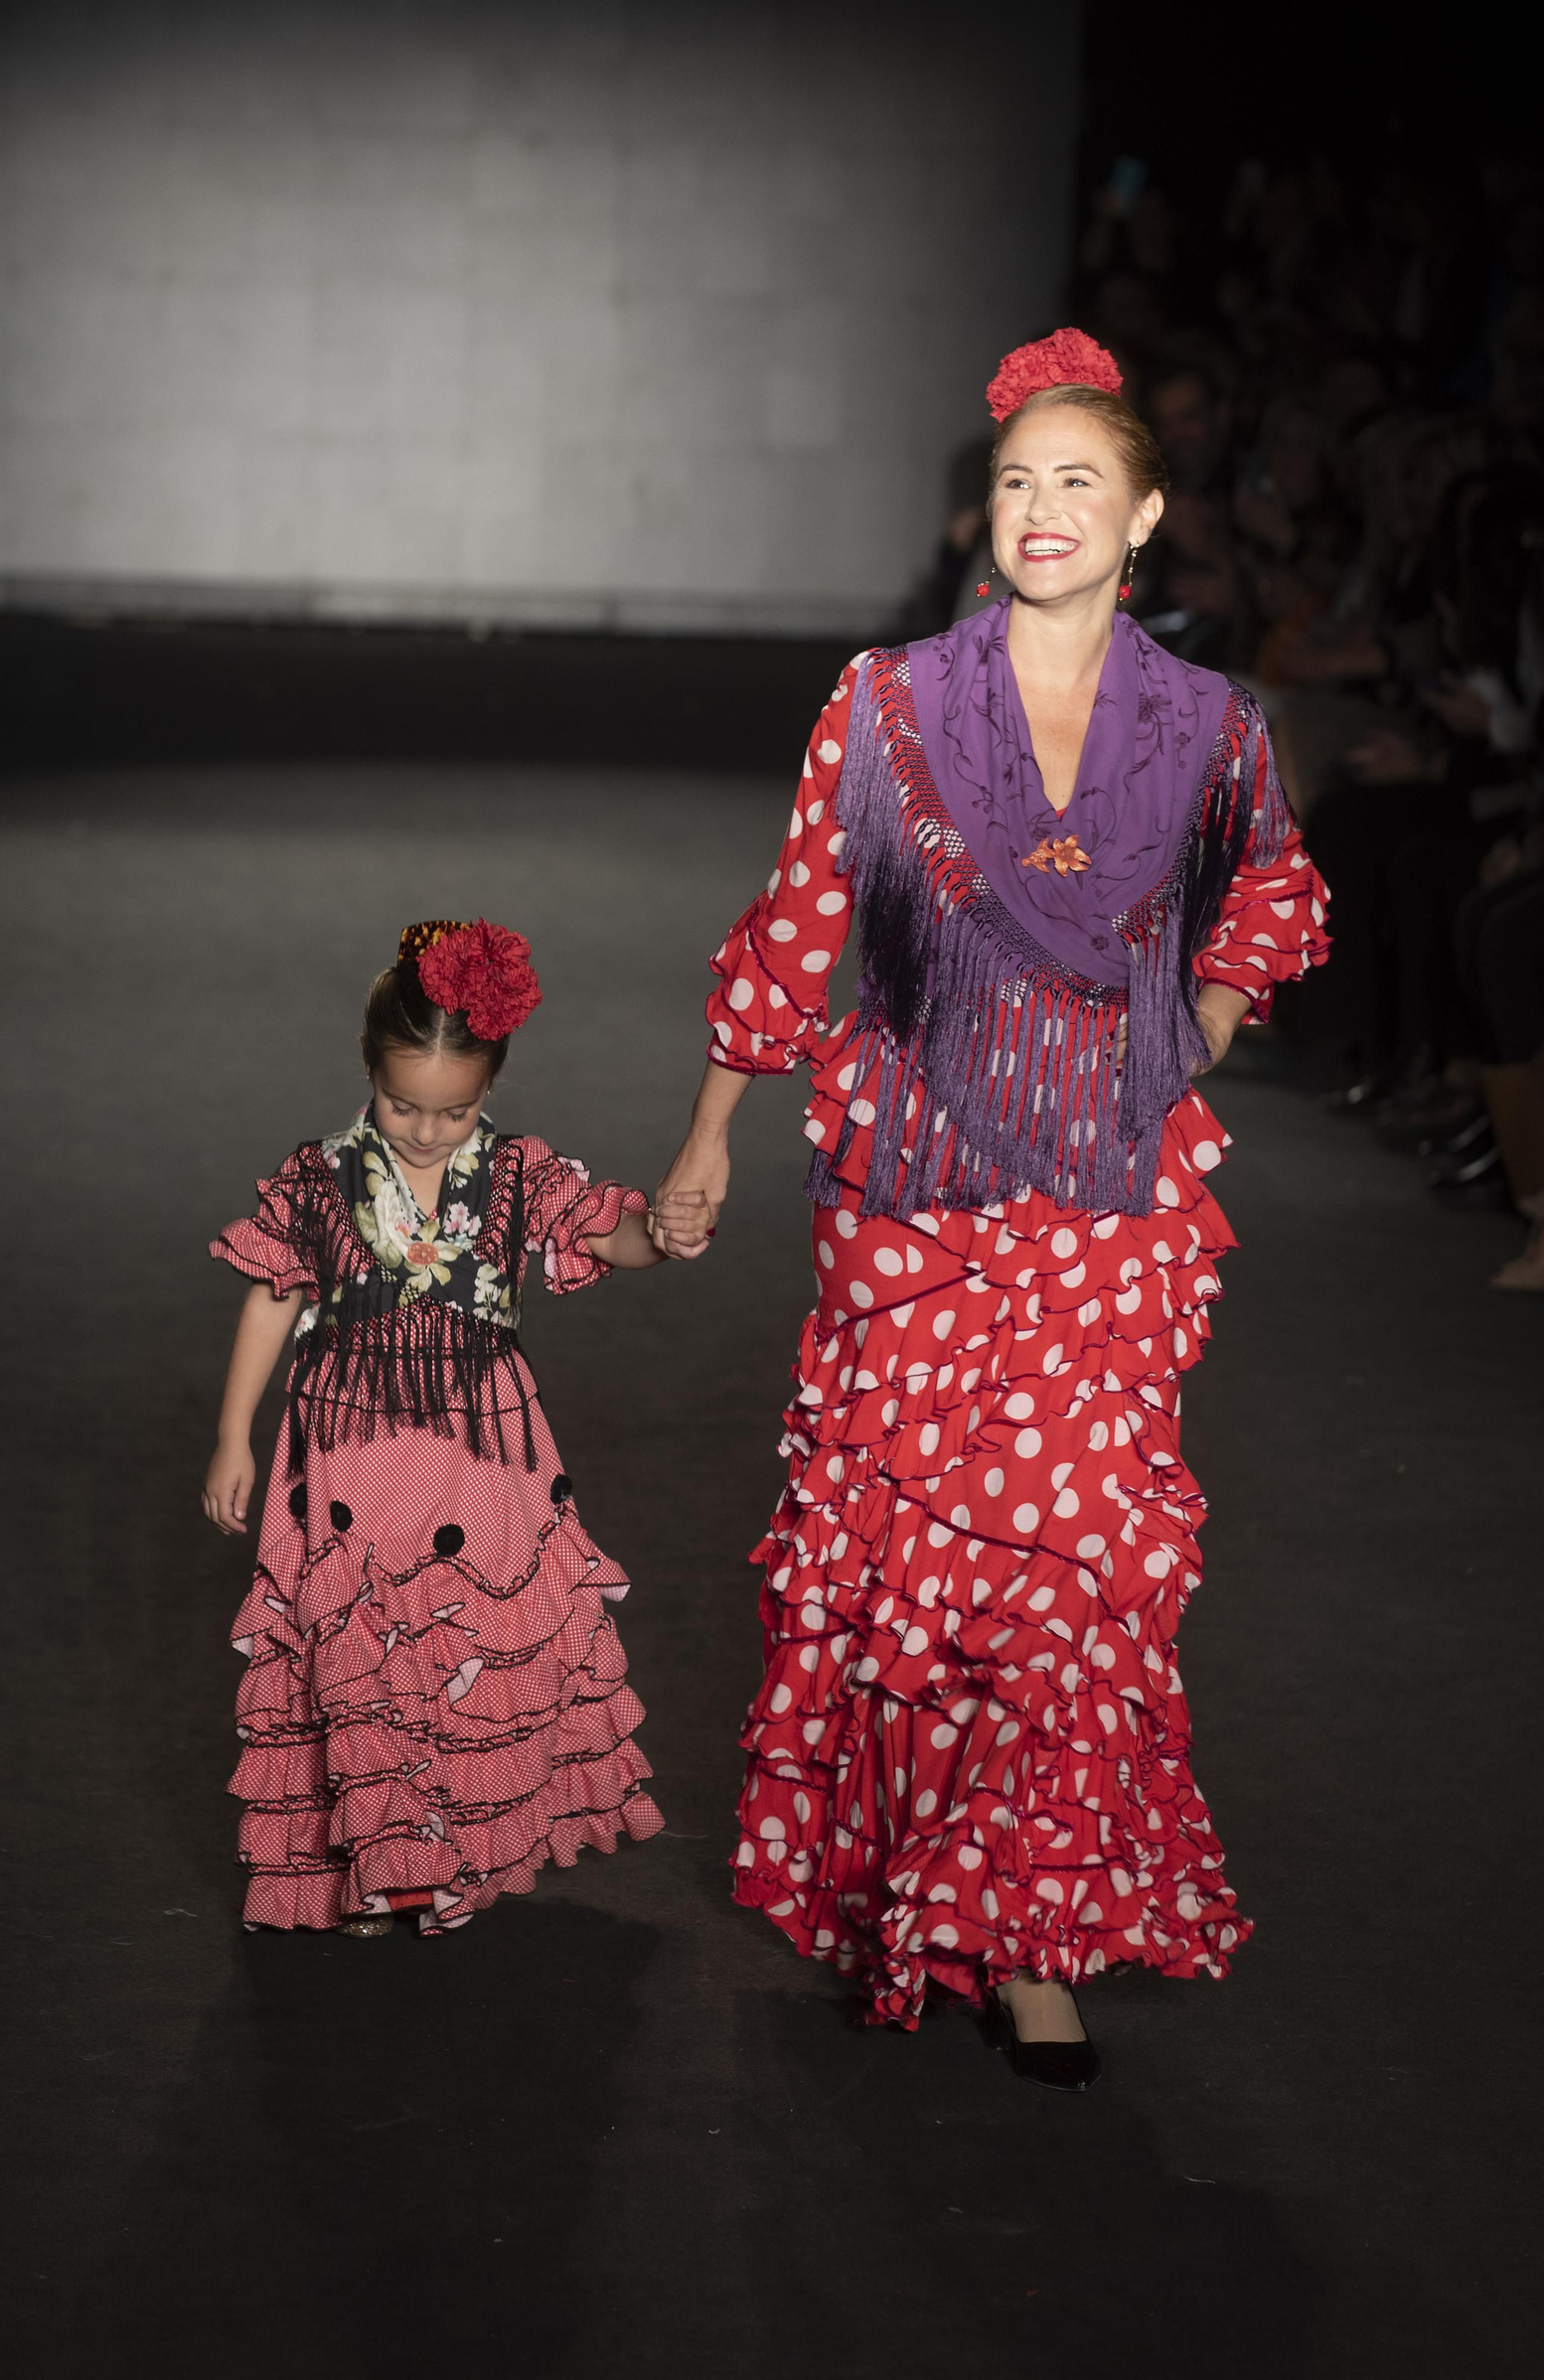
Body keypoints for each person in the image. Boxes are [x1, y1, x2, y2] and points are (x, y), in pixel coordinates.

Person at [655, 330, 1330, 2090]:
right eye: (1018, 480)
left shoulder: (1207, 725)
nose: (1041, 509)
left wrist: (1203, 1029)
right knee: (917, 1577)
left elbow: (1271, 891)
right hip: (920, 1201)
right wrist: (713, 1128)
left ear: (1148, 515)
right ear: (989, 511)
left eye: (1079, 482)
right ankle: (916, 1892)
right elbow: (801, 926)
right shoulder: (885, 704)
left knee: (1078, 1575)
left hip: (1108, 1210)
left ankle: (1030, 1939)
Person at [203, 918, 701, 1936]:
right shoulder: (319, 1175)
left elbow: (605, 1231)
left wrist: (666, 1228)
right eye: (401, 1104)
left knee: (471, 1640)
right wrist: (232, 1435)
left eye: (453, 1108)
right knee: (361, 1648)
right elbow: (269, 1296)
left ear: (492, 1086)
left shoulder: (520, 1173)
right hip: (348, 1450)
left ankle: (449, 1852)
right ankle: (379, 1862)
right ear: (368, 1072)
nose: (425, 1130)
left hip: (479, 1455)